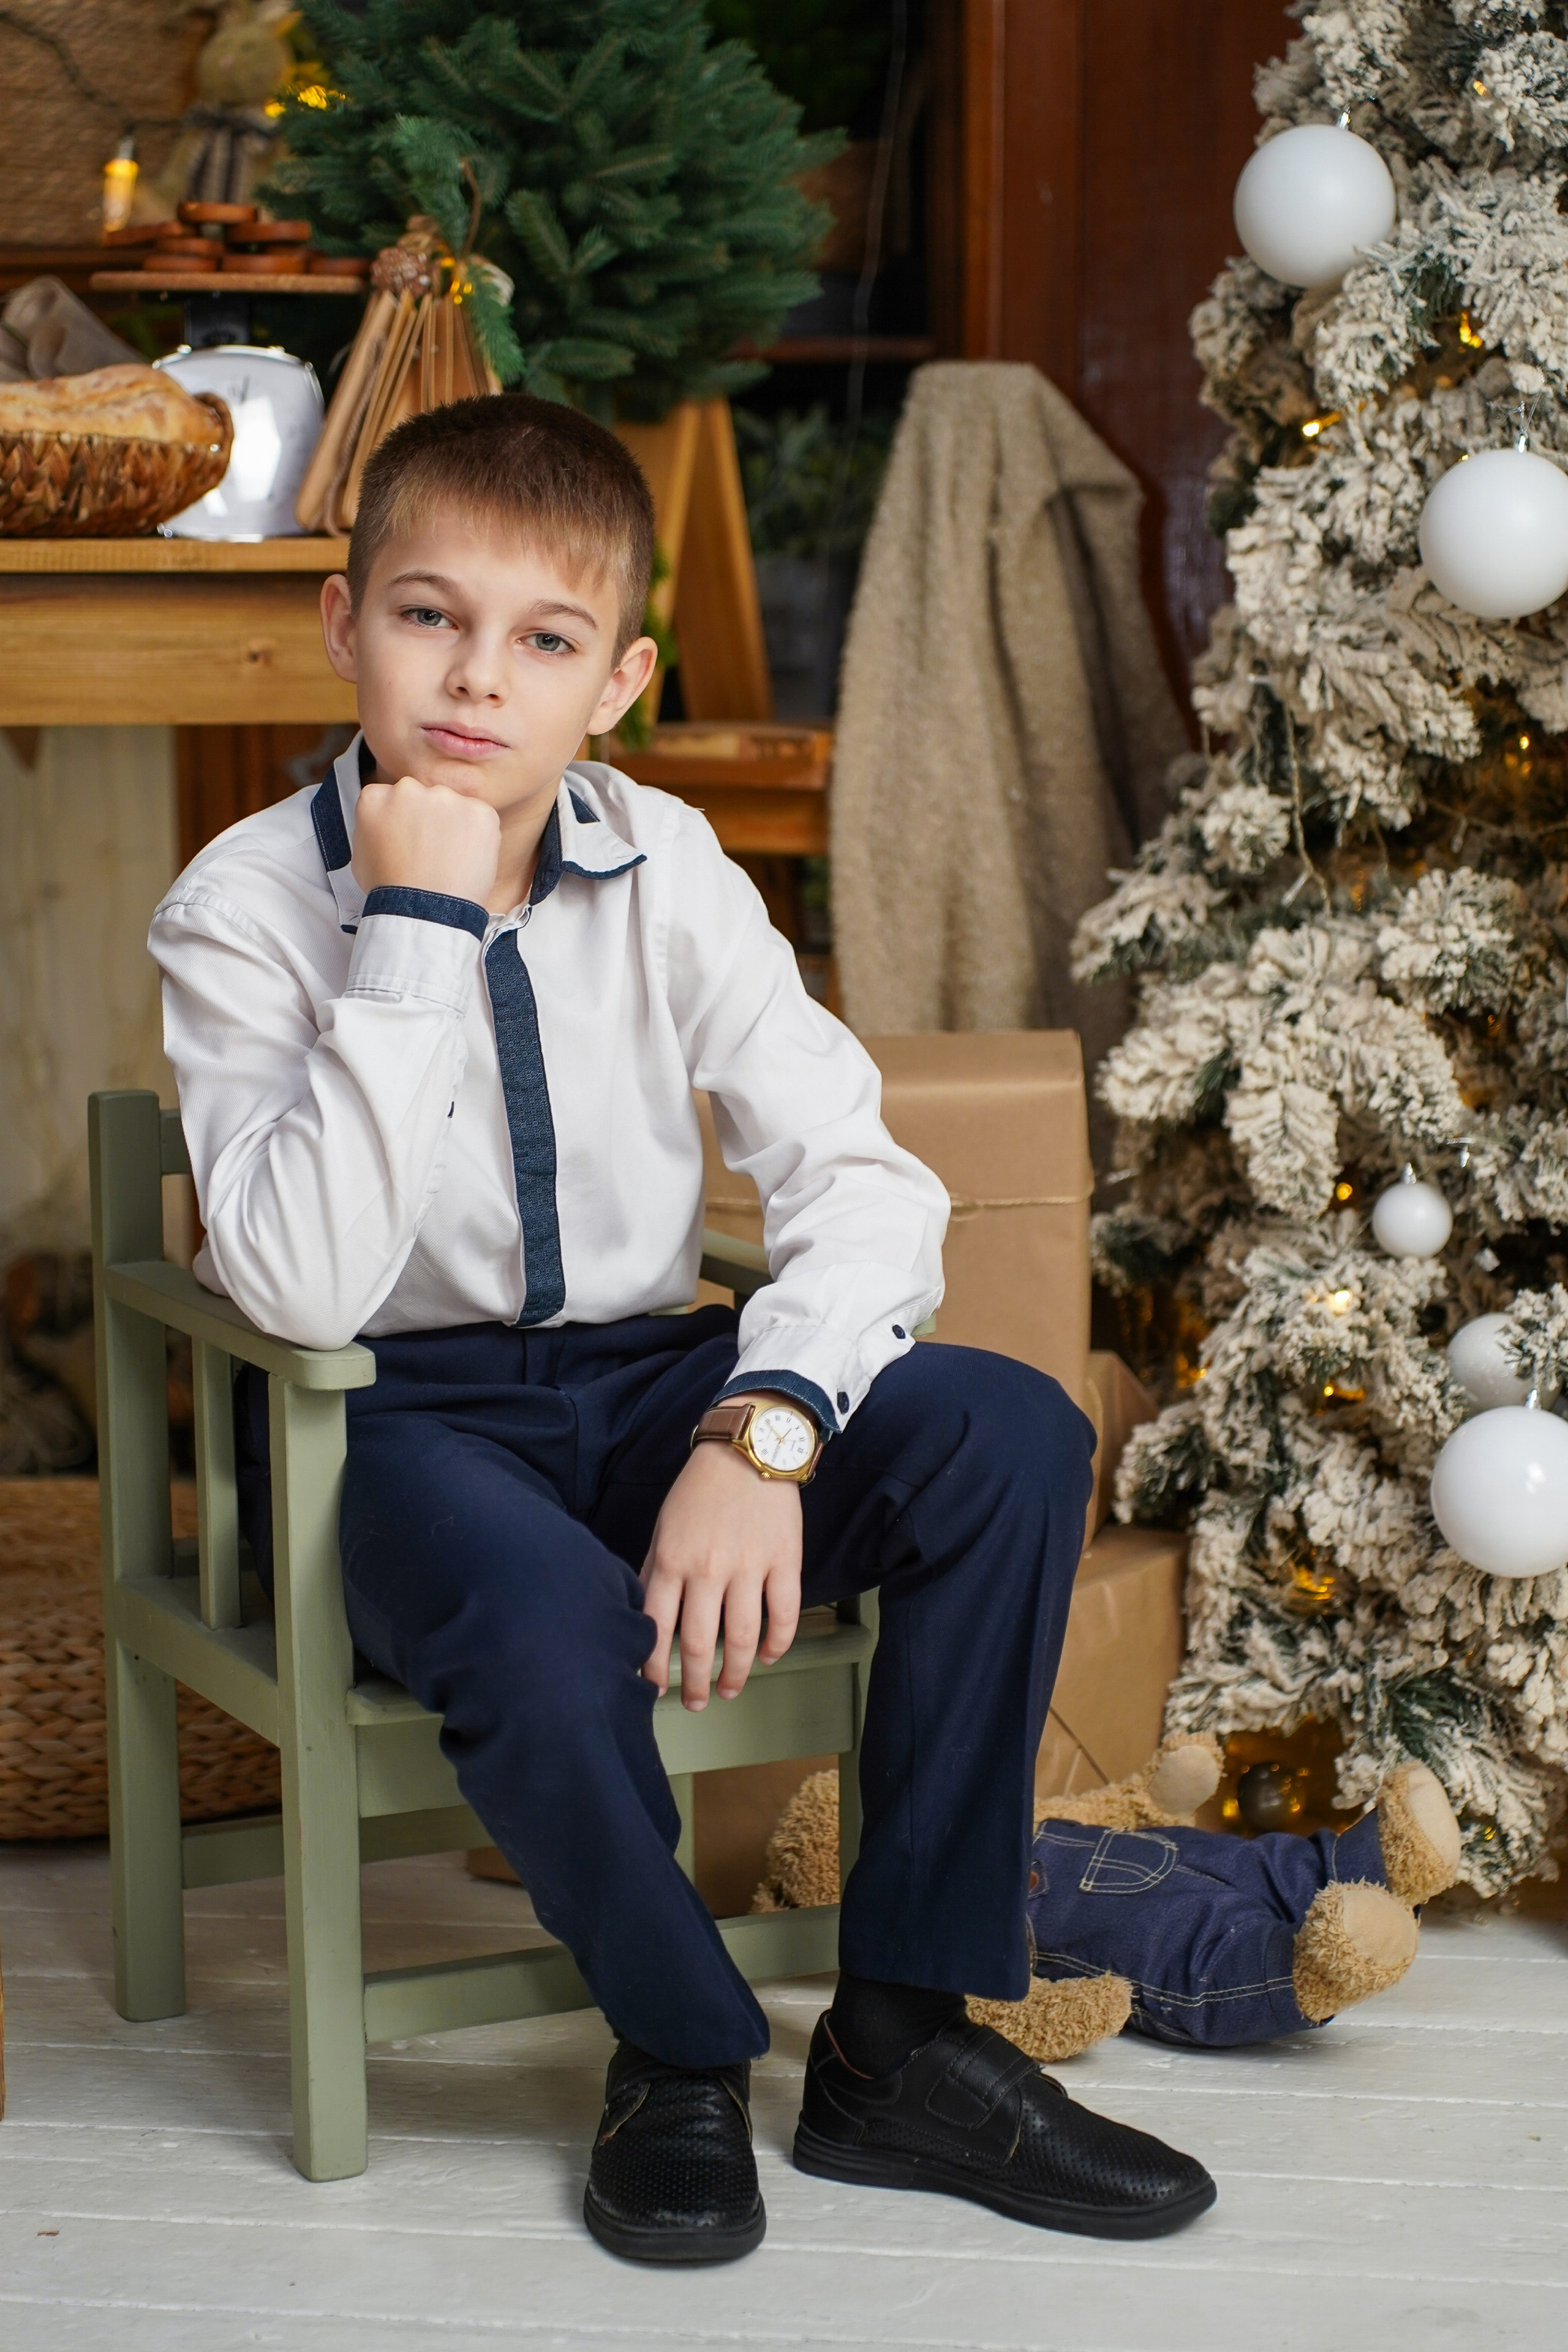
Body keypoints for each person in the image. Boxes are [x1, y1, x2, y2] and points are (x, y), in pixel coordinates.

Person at [149, 393, 1215, 2263]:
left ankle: (898, 2047)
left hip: (663, 1384)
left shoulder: (671, 867)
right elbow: (303, 1288)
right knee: (546, 1627)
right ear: (343, 624)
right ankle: (682, 2050)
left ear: (618, 681)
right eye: (429, 616)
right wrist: (416, 922)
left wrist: (765, 1427)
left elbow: (865, 1183)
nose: (478, 681)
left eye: (546, 639)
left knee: (1011, 1434)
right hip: (387, 1422)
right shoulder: (239, 908)